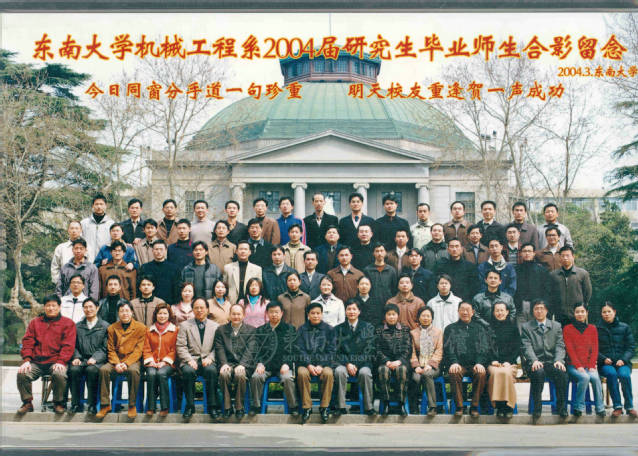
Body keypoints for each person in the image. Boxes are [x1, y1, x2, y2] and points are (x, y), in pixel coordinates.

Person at [16, 295, 76, 415]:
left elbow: (68, 346)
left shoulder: (68, 323)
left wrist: (61, 361)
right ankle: (27, 403)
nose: (51, 308)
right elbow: (27, 342)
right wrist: (26, 360)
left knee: (59, 374)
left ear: (59, 307)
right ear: (44, 307)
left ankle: (58, 403)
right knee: (22, 373)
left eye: (54, 305)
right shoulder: (35, 322)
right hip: (37, 362)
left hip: (56, 361)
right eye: (48, 306)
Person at [96, 301, 146, 419]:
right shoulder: (112, 328)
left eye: (127, 311)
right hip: (116, 360)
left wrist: (126, 363)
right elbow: (110, 348)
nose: (125, 313)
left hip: (132, 360)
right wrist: (117, 363)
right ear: (118, 313)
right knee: (103, 370)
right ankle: (105, 404)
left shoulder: (141, 328)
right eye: (122, 311)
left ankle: (132, 405)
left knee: (134, 371)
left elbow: (139, 350)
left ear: (132, 312)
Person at [520, 299, 569, 422]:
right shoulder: (526, 327)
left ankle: (561, 408)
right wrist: (534, 360)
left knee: (561, 373)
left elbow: (560, 345)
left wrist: (559, 360)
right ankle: (537, 408)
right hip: (535, 363)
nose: (539, 311)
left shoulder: (556, 326)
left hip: (552, 362)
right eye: (536, 309)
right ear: (533, 311)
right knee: (538, 373)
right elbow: (526, 346)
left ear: (547, 311)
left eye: (542, 308)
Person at [249, 301, 299, 416]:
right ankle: (256, 406)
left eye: (277, 312)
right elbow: (256, 350)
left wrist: (287, 363)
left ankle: (293, 406)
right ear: (267, 313)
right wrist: (259, 363)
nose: (274, 315)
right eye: (271, 312)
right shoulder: (260, 330)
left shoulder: (289, 329)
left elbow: (293, 350)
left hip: (283, 366)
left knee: (288, 378)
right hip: (265, 366)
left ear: (282, 313)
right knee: (256, 376)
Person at [443, 301, 492, 418]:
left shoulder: (480, 328)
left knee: (481, 373)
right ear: (458, 311)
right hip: (459, 365)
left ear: (472, 312)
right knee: (454, 372)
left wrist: (480, 363)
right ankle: (459, 407)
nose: (465, 312)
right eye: (462, 309)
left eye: (468, 310)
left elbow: (484, 348)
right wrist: (454, 362)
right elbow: (448, 348)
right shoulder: (450, 328)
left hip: (475, 364)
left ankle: (474, 406)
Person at [176, 297, 221, 420]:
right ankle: (190, 406)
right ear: (192, 310)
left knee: (211, 371)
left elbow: (218, 347)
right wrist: (189, 360)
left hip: (208, 360)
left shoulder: (215, 326)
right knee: (187, 371)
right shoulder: (185, 325)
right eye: (196, 308)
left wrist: (211, 358)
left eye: (202, 308)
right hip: (191, 360)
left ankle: (212, 406)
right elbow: (180, 346)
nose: (199, 310)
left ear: (207, 309)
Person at [334, 299, 377, 416]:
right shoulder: (338, 329)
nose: (351, 312)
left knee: (365, 373)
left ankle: (369, 407)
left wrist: (356, 364)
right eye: (349, 309)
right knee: (339, 372)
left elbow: (370, 350)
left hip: (363, 363)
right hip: (344, 363)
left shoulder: (368, 327)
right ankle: (340, 407)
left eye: (354, 309)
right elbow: (336, 351)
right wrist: (347, 364)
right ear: (345, 311)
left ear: (359, 311)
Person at [296, 302, 337, 424]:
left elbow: (331, 350)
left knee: (328, 373)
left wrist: (320, 365)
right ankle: (307, 407)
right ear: (308, 315)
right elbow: (299, 349)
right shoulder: (301, 329)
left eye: (318, 313)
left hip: (324, 364)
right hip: (305, 364)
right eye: (312, 313)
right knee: (302, 373)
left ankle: (324, 407)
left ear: (322, 314)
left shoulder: (329, 330)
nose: (315, 316)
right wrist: (309, 364)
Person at [215, 304, 257, 419]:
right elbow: (219, 348)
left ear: (243, 315)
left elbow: (250, 350)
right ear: (229, 315)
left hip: (244, 365)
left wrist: (242, 364)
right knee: (224, 374)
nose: (236, 317)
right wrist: (224, 363)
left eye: (239, 314)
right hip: (227, 363)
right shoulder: (221, 330)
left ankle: (239, 407)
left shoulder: (251, 330)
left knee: (240, 375)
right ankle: (227, 407)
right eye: (233, 314)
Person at [563, 304, 606, 418]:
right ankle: (578, 407)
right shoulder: (567, 329)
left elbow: (595, 349)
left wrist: (591, 365)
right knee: (585, 377)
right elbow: (570, 349)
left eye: (582, 312)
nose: (580, 314)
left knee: (595, 378)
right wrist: (578, 366)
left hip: (588, 365)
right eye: (577, 312)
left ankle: (600, 408)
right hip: (572, 365)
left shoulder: (592, 328)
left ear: (587, 313)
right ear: (574, 314)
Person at [68, 298, 109, 414]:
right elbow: (73, 345)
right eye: (85, 307)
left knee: (91, 370)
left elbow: (105, 347)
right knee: (73, 370)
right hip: (81, 359)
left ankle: (92, 404)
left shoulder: (105, 326)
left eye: (91, 307)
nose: (88, 309)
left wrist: (95, 358)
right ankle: (76, 404)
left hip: (97, 361)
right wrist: (76, 357)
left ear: (97, 308)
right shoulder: (77, 326)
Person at [597, 302, 637, 417]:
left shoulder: (624, 327)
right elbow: (593, 349)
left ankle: (629, 407)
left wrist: (623, 359)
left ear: (614, 312)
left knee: (624, 375)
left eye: (609, 311)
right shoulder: (597, 329)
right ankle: (617, 406)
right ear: (601, 314)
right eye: (604, 312)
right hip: (605, 364)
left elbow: (631, 347)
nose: (606, 314)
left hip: (622, 363)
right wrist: (603, 359)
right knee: (611, 374)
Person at [142, 303, 178, 417]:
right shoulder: (149, 330)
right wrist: (151, 361)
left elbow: (174, 349)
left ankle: (165, 407)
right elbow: (146, 348)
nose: (162, 316)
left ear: (169, 315)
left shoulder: (175, 330)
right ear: (155, 315)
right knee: (151, 374)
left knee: (161, 374)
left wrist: (165, 362)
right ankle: (151, 407)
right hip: (152, 363)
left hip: (168, 364)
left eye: (165, 313)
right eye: (160, 313)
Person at [375, 304, 411, 417]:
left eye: (393, 314)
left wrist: (399, 361)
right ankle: (386, 403)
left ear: (398, 315)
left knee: (401, 370)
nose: (391, 317)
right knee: (383, 371)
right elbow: (377, 349)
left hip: (400, 361)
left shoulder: (405, 329)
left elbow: (407, 348)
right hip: (385, 362)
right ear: (385, 316)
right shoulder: (379, 329)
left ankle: (401, 403)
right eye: (389, 314)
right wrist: (386, 361)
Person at [409, 306, 443, 417]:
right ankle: (414, 406)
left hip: (433, 367)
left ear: (432, 318)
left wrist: (430, 365)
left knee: (427, 374)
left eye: (428, 316)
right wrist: (416, 366)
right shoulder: (413, 333)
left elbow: (439, 351)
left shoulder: (438, 332)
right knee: (415, 378)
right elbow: (412, 352)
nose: (425, 318)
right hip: (418, 366)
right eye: (423, 316)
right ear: (419, 318)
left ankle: (432, 407)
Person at [488, 302, 520, 418]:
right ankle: (499, 406)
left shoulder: (513, 328)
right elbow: (484, 347)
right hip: (493, 363)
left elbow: (517, 348)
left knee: (506, 373)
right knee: (496, 373)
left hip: (509, 363)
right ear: (493, 312)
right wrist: (493, 361)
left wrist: (508, 361)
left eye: (502, 310)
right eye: (497, 310)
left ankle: (508, 406)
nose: (499, 313)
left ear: (507, 312)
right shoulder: (488, 328)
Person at [550, 246, 592, 326]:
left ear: (573, 257)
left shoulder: (582, 274)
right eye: (563, 256)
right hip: (560, 315)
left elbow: (587, 293)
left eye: (568, 255)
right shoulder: (553, 275)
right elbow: (551, 294)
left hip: (577, 314)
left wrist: (581, 307)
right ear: (559, 258)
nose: (565, 258)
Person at [515, 243, 551, 325]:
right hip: (520, 306)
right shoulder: (517, 269)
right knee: (522, 330)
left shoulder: (542, 270)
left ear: (534, 253)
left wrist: (543, 305)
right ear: (521, 253)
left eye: (529, 251)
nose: (527, 253)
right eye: (524, 251)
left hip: (537, 305)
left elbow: (547, 290)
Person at [433, 238, 479, 302]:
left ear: (461, 249)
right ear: (448, 249)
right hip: (445, 300)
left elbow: (474, 287)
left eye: (457, 246)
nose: (454, 249)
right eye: (452, 247)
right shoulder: (442, 266)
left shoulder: (470, 267)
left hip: (464, 301)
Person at [51, 220, 94, 285]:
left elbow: (91, 266)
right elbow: (55, 267)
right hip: (64, 284)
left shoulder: (88, 248)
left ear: (81, 230)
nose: (74, 231)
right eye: (72, 228)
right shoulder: (61, 248)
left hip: (83, 284)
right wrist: (58, 282)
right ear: (68, 230)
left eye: (76, 228)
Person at [363, 242, 398, 319]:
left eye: (382, 251)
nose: (379, 253)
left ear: (385, 253)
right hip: (372, 306)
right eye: (377, 251)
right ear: (373, 253)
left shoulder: (391, 270)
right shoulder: (367, 270)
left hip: (387, 304)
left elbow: (394, 289)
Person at [139, 240, 180, 304]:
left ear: (166, 251)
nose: (158, 252)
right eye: (156, 249)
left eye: (161, 249)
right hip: (150, 303)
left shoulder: (174, 268)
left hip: (168, 304)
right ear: (152, 251)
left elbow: (176, 289)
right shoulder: (145, 268)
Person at [223, 240, 262, 305]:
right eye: (241, 249)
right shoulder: (228, 268)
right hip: (232, 302)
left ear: (250, 252)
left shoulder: (257, 269)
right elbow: (224, 286)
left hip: (250, 303)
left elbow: (259, 288)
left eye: (245, 249)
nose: (243, 251)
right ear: (236, 251)